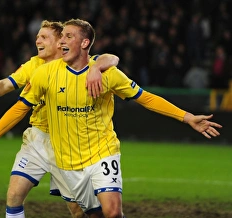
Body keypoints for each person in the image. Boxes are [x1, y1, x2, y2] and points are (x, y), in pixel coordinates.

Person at [15, 19, 222, 218]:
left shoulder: (108, 73)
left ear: (85, 42)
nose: (62, 41)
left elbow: (146, 98)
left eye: (69, 36)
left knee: (112, 212)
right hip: (69, 159)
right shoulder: (46, 73)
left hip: (103, 151)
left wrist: (187, 118)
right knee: (94, 214)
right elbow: (20, 106)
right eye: (62, 37)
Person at [0, 20, 119, 218]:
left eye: (44, 37)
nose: (38, 40)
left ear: (59, 42)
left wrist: (98, 67)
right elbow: (5, 85)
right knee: (13, 195)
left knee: (79, 211)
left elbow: (111, 58)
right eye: (38, 36)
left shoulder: (78, 62)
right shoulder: (34, 65)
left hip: (65, 143)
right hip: (36, 140)